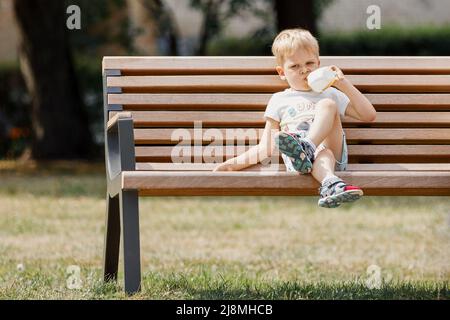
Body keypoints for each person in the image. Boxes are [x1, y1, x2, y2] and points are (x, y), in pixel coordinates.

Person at [213, 28, 377, 208]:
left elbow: (368, 115)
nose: (304, 70)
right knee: (322, 142)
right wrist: (231, 165)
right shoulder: (279, 100)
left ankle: (307, 147)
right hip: (298, 164)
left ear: (318, 64)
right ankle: (331, 184)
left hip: (331, 153)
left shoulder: (330, 92)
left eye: (309, 63)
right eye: (295, 66)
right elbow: (266, 147)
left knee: (327, 106)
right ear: (281, 72)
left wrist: (342, 83)